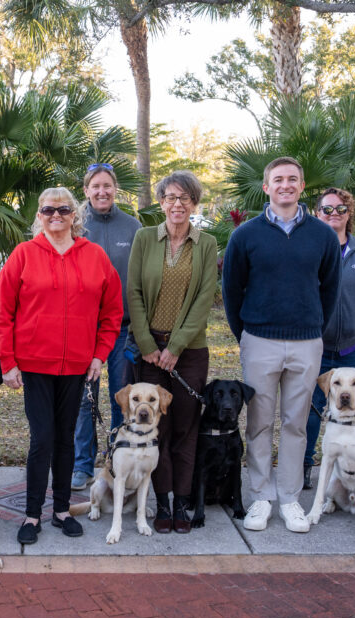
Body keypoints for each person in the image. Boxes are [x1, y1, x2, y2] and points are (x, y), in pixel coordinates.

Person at [0, 187, 123, 545]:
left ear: (74, 215)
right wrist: (8, 361)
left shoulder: (95, 256)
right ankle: (33, 514)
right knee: (43, 439)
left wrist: (99, 354)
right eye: (48, 210)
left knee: (66, 439)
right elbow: (3, 312)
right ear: (39, 215)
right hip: (34, 364)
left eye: (63, 210)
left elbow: (112, 312)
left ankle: (62, 510)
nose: (56, 216)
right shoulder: (24, 255)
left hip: (78, 366)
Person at [222, 156, 340, 534]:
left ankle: (289, 498)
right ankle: (260, 496)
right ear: (266, 187)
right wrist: (247, 335)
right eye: (278, 179)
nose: (285, 185)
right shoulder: (246, 235)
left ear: (302, 187)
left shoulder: (322, 235)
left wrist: (312, 324)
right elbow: (231, 291)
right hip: (259, 340)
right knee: (258, 422)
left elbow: (330, 289)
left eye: (292, 179)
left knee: (296, 422)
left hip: (306, 342)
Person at [128, 171, 217, 534]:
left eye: (185, 198)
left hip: (189, 353)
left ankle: (182, 502)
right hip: (150, 353)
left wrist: (176, 347)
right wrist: (149, 345)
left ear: (194, 204)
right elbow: (132, 292)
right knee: (155, 429)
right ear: (161, 202)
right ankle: (161, 502)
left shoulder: (206, 244)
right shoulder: (145, 238)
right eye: (170, 198)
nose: (177, 204)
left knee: (184, 427)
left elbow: (203, 298)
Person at [70, 163, 141, 491]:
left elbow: (139, 280)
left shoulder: (133, 227)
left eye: (107, 186)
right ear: (86, 190)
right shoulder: (74, 224)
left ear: (115, 189)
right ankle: (82, 465)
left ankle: (115, 460)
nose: (102, 192)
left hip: (123, 329)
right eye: (95, 186)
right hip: (83, 331)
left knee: (119, 398)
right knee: (85, 400)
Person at [302, 188, 355, 490]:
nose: (334, 214)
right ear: (316, 214)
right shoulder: (308, 249)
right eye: (327, 209)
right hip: (315, 346)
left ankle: (354, 471)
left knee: (354, 409)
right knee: (311, 411)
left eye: (341, 209)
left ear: (349, 214)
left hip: (352, 347)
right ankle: (304, 466)